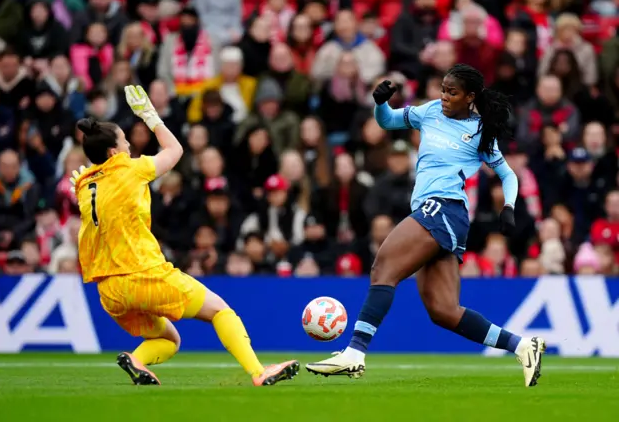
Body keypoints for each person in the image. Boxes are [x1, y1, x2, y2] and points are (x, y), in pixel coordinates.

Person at [306, 64, 546, 387]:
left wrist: (508, 207)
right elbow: (388, 121)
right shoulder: (430, 111)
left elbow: (507, 174)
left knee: (383, 267)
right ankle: (522, 345)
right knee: (444, 311)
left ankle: (354, 354)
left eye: (452, 92)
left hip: (445, 208)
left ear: (470, 97)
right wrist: (380, 104)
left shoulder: (480, 131)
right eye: (443, 89)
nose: (444, 97)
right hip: (437, 215)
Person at [69, 85, 298, 387]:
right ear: (113, 152)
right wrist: (151, 117)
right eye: (125, 142)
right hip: (142, 274)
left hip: (109, 290)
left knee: (169, 338)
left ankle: (136, 361)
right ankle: (259, 372)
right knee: (219, 310)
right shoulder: (129, 168)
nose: (129, 147)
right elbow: (175, 151)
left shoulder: (84, 184)